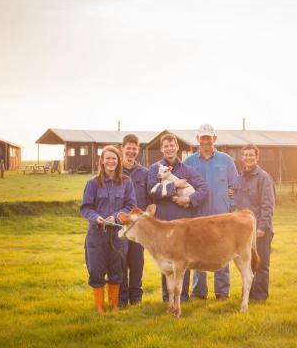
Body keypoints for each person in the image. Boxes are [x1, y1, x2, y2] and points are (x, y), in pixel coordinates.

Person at [147, 133, 209, 302]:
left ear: (177, 147)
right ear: (161, 149)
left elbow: (203, 189)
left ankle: (183, 296)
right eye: (165, 146)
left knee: (183, 260)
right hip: (164, 223)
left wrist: (189, 199)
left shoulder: (187, 170)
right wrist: (175, 185)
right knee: (166, 261)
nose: (169, 149)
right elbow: (152, 191)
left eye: (172, 145)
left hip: (183, 224)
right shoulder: (155, 169)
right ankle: (167, 296)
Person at [184, 124, 239, 300]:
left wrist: (230, 206)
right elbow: (182, 187)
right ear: (197, 139)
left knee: (222, 253)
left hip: (222, 218)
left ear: (214, 139)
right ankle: (199, 292)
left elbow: (235, 187)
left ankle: (222, 292)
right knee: (197, 254)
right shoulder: (189, 162)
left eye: (209, 138)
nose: (206, 141)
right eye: (203, 138)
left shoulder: (226, 160)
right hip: (198, 217)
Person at [80, 145, 136, 314]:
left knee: (116, 269)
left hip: (118, 234)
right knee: (96, 270)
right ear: (102, 161)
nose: (111, 161)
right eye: (108, 158)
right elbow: (85, 207)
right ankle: (99, 307)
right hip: (97, 234)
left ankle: (114, 306)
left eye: (114, 158)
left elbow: (131, 205)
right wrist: (95, 217)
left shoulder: (126, 182)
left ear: (119, 161)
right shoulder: (92, 183)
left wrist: (117, 216)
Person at [234, 144, 275, 301]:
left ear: (257, 157)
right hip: (244, 230)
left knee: (261, 263)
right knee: (247, 263)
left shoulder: (263, 177)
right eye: (245, 155)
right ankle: (248, 295)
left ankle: (259, 297)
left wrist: (262, 227)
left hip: (259, 228)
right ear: (242, 157)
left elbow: (268, 204)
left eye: (251, 155)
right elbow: (236, 198)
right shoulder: (239, 177)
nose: (248, 158)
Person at [119, 134, 149, 307]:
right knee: (121, 260)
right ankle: (122, 299)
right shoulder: (116, 170)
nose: (131, 151)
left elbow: (150, 196)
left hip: (139, 226)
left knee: (137, 262)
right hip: (121, 224)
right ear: (122, 148)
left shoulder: (144, 173)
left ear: (138, 150)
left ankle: (136, 298)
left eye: (134, 148)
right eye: (128, 148)